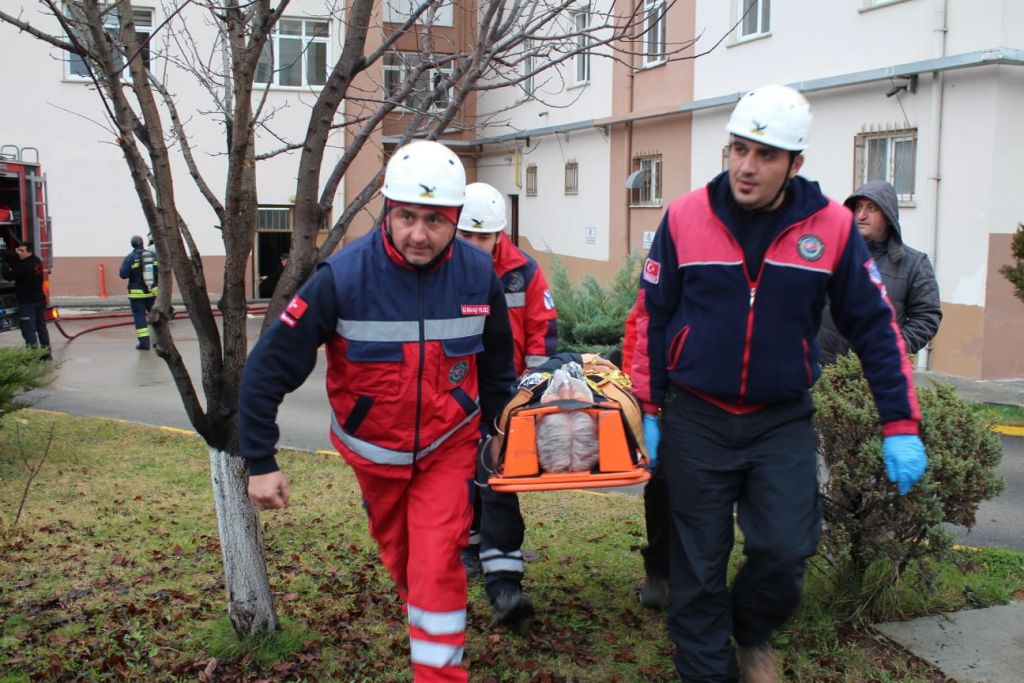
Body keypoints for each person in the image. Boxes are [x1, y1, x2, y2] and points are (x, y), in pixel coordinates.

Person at [631, 84, 927, 683]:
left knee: (786, 550)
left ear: (795, 164)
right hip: (698, 418)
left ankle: (754, 630)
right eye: (739, 148)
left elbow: (875, 326)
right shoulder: (686, 217)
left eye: (765, 155)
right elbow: (650, 317)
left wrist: (899, 422)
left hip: (780, 419)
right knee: (698, 567)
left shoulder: (833, 231)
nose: (746, 166)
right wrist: (650, 406)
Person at [238, 140, 516, 683]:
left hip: (448, 447)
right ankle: (431, 628)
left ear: (455, 219)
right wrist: (260, 460)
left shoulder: (478, 277)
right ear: (387, 209)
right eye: (407, 216)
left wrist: (498, 430)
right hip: (374, 455)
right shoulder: (342, 278)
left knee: (437, 562)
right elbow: (267, 368)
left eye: (435, 220)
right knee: (406, 562)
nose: (418, 233)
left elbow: (500, 364)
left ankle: (438, 672)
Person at [454, 182, 558, 585]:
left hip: (507, 395)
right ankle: (470, 546)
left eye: (485, 236)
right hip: (458, 393)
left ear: (500, 233)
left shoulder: (523, 272)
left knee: (496, 476)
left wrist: (530, 392)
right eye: (468, 235)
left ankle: (499, 553)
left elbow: (542, 331)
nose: (477, 244)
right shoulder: (446, 269)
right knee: (463, 476)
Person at [818, 180, 942, 363]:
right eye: (858, 207)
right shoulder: (831, 252)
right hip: (819, 370)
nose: (861, 215)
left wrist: (894, 347)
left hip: (873, 374)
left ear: (888, 216)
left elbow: (927, 316)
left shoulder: (914, 264)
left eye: (871, 208)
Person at [620, 299, 670, 610]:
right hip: (667, 398)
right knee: (663, 486)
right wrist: (640, 403)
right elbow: (637, 334)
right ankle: (659, 574)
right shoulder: (667, 266)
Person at [1, 241, 50, 354]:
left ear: (29, 252)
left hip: (28, 303)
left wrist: (3, 264)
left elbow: (8, 276)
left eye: (22, 251)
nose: (19, 253)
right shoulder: (36, 261)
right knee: (41, 328)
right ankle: (46, 354)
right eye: (18, 250)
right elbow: (19, 264)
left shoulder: (25, 266)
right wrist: (10, 257)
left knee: (29, 331)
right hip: (39, 300)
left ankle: (32, 357)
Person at [118, 235, 158, 350]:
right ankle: (159, 341)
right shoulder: (152, 256)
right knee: (156, 317)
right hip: (152, 292)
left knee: (140, 318)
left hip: (137, 294)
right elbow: (158, 272)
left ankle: (144, 343)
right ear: (142, 243)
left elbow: (123, 274)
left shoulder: (130, 258)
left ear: (132, 245)